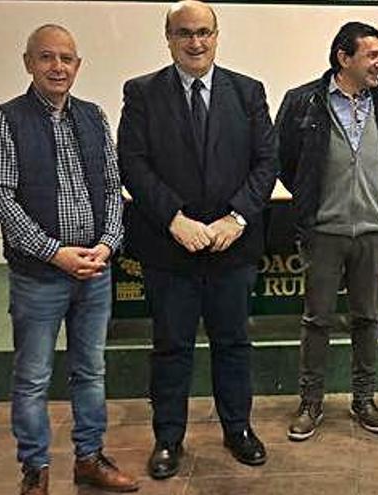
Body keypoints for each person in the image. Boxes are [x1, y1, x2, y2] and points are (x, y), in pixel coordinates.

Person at [117, 0, 277, 479]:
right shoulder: (142, 92)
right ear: (168, 38)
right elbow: (133, 163)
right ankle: (168, 439)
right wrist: (174, 219)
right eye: (184, 33)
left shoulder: (248, 92)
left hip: (233, 246)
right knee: (171, 347)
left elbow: (267, 163)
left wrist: (236, 218)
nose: (195, 42)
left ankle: (238, 430)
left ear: (216, 34)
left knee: (233, 344)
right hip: (170, 248)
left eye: (204, 31)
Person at [0, 24, 139, 494]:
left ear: (78, 66)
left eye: (67, 59)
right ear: (29, 63)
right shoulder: (3, 119)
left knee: (90, 370)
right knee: (33, 378)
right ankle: (36, 471)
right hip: (39, 276)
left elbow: (115, 190)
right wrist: (54, 253)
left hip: (95, 271)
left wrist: (109, 243)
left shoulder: (94, 117)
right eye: (47, 58)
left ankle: (89, 459)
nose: (58, 67)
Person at [274, 21, 378, 441]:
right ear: (343, 58)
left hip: (374, 229)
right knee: (316, 320)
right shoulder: (302, 102)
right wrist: (313, 201)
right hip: (324, 231)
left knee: (367, 318)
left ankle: (364, 399)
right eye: (372, 55)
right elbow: (286, 160)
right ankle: (310, 402)